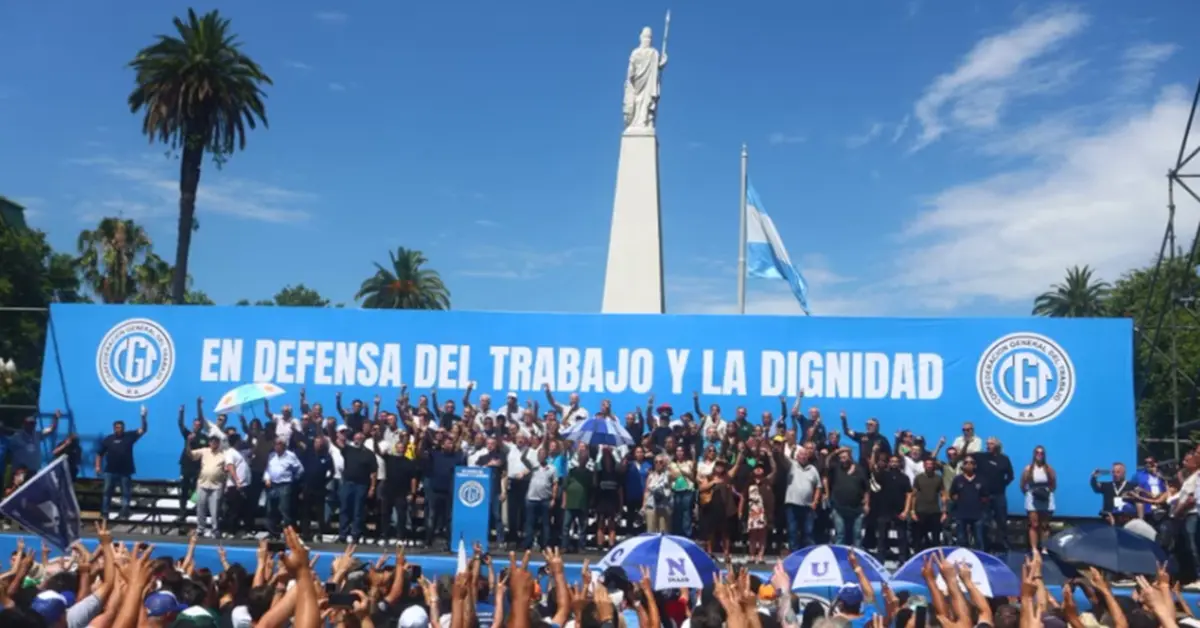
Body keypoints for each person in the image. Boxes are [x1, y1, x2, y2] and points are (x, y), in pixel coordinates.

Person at [95, 407, 148, 520]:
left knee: (126, 493)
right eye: (117, 427)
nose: (118, 429)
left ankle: (124, 513)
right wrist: (98, 466)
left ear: (124, 428)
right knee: (107, 492)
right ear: (114, 428)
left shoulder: (130, 436)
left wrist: (143, 417)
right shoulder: (108, 439)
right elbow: (99, 454)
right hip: (110, 471)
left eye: (120, 427)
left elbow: (143, 430)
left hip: (125, 471)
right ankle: (105, 513)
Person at [187, 437, 235, 538]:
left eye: (216, 442)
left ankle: (215, 529)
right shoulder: (204, 451)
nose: (213, 444)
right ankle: (200, 528)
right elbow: (191, 455)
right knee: (200, 507)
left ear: (218, 443)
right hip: (202, 484)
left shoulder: (223, 454)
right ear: (209, 443)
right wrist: (188, 443)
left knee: (215, 509)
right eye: (212, 442)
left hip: (216, 485)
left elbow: (228, 467)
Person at [262, 439, 304, 540]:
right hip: (272, 485)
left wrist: (294, 479)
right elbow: (267, 469)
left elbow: (300, 469)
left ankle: (288, 534)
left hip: (285, 484)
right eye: (276, 444)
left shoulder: (290, 456)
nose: (277, 446)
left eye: (279, 444)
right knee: (271, 509)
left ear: (284, 446)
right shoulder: (271, 455)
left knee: (284, 509)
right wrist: (267, 478)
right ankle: (273, 533)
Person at [1021, 445, 1056, 553]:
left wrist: (1046, 492)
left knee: (1045, 525)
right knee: (1034, 524)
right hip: (1033, 498)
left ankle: (1044, 548)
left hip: (1046, 497)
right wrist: (1029, 493)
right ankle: (1034, 548)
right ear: (1034, 454)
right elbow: (1022, 484)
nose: (1039, 455)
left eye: (1041, 453)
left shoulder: (1049, 469)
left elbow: (1053, 484)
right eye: (1037, 452)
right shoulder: (1028, 469)